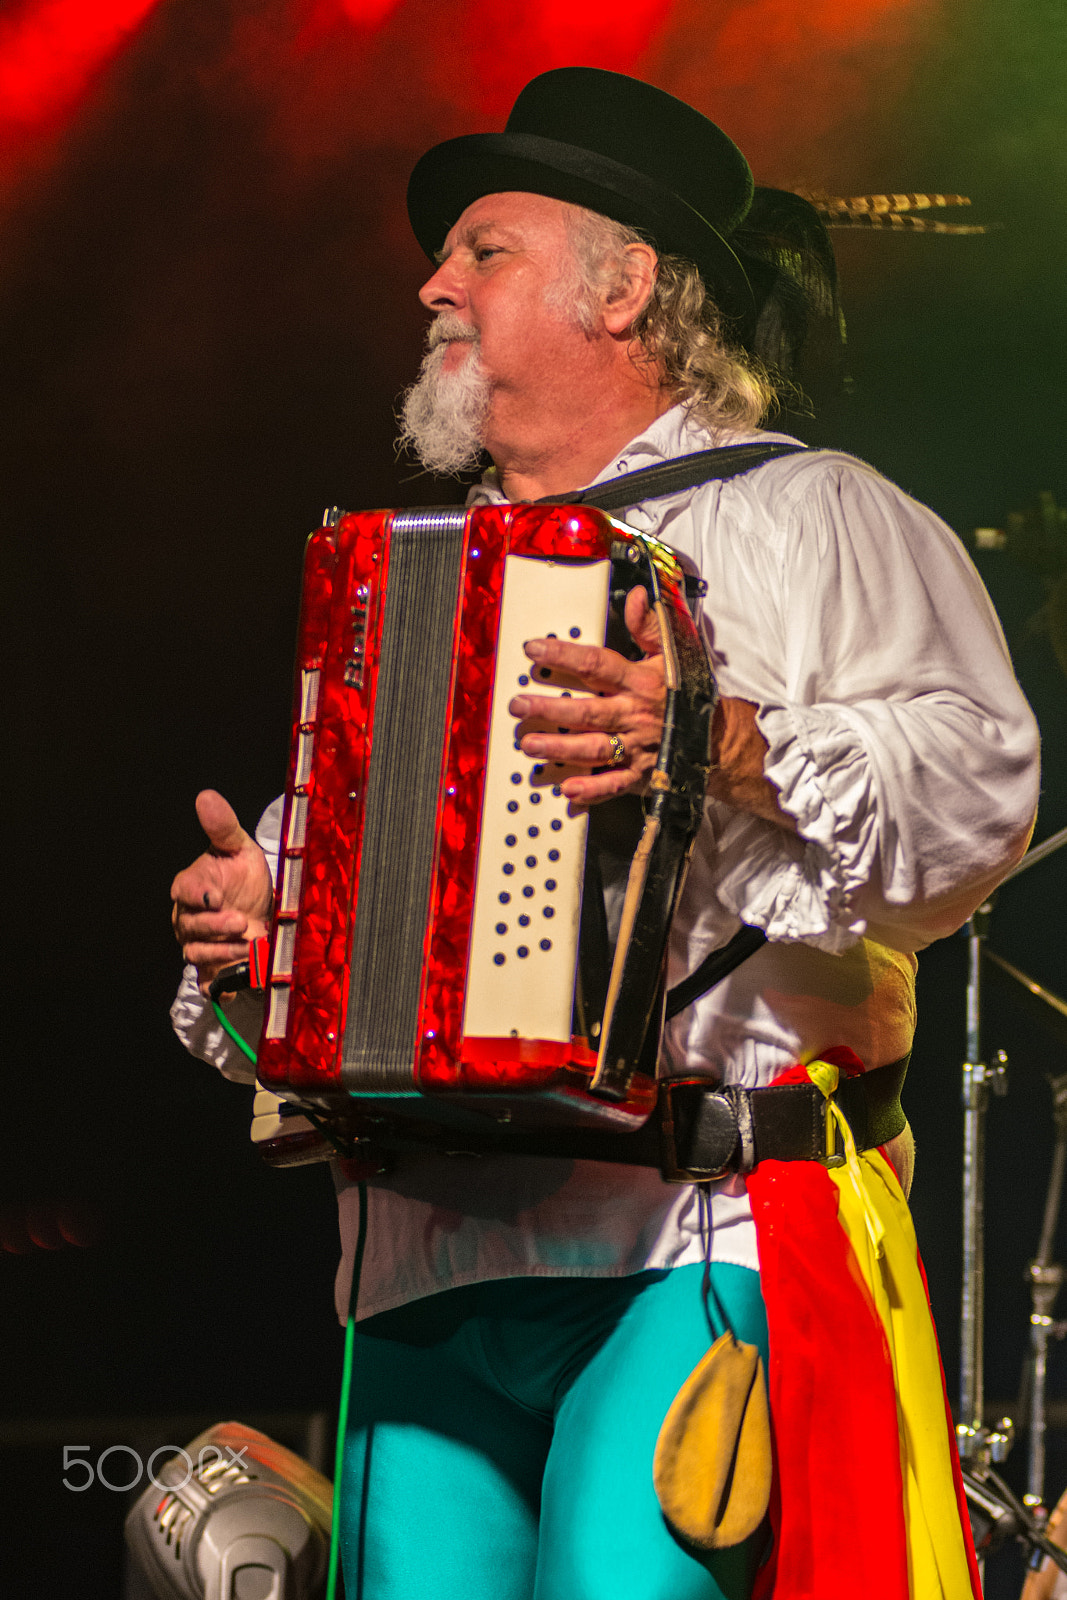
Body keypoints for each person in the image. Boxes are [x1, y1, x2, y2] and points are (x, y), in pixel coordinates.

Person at [171, 68, 1040, 1600]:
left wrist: (725, 742)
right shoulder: (409, 582)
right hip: (432, 1254)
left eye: (484, 249)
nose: (434, 281)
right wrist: (269, 930)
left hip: (691, 1242)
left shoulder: (807, 517)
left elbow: (978, 799)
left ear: (627, 284)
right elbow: (371, 920)